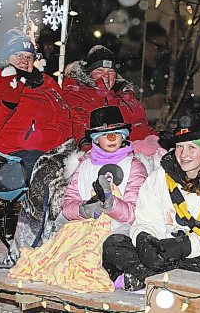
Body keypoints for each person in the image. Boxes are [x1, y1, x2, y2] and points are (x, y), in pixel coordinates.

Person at [102, 113, 200, 291]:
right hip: (160, 249)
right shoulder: (159, 178)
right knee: (114, 244)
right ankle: (174, 279)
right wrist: (145, 241)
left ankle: (147, 277)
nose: (183, 154)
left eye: (191, 147)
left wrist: (183, 247)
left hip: (197, 254)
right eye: (179, 147)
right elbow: (146, 219)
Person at [8, 106, 148, 291]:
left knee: (97, 256)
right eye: (105, 134)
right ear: (96, 139)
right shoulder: (85, 166)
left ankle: (119, 277)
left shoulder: (135, 167)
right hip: (81, 227)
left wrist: (111, 203)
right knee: (58, 260)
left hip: (117, 230)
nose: (112, 139)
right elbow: (67, 206)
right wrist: (83, 209)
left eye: (116, 133)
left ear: (124, 135)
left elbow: (134, 212)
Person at [0, 28, 72, 192]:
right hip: (0, 160)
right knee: (45, 174)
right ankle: (35, 217)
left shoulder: (47, 84)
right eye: (18, 55)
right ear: (6, 58)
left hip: (51, 156)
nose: (24, 60)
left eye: (28, 57)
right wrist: (5, 104)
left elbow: (65, 118)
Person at [63, 45, 156, 152]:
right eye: (100, 70)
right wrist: (85, 143)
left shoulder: (124, 95)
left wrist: (157, 137)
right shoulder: (79, 92)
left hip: (136, 150)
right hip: (105, 151)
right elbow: (79, 121)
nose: (106, 75)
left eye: (110, 71)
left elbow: (140, 125)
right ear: (89, 73)